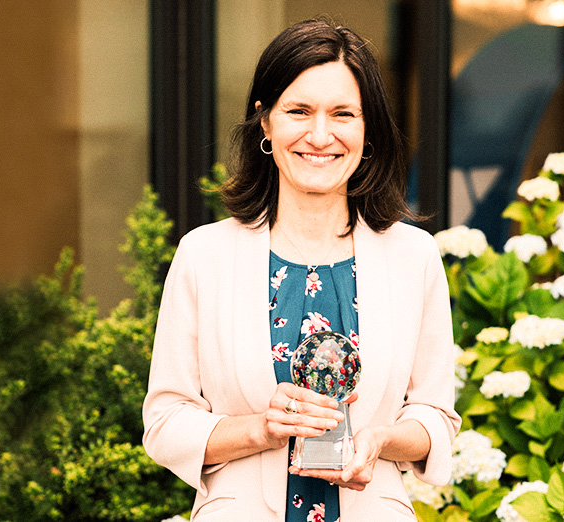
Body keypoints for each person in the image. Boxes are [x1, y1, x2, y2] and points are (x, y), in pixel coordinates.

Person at [142, 18, 461, 522]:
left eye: (342, 113)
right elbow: (164, 424)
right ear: (265, 122)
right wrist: (262, 429)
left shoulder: (414, 256)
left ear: (367, 128)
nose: (320, 135)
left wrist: (379, 439)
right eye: (298, 111)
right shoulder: (203, 255)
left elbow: (436, 419)